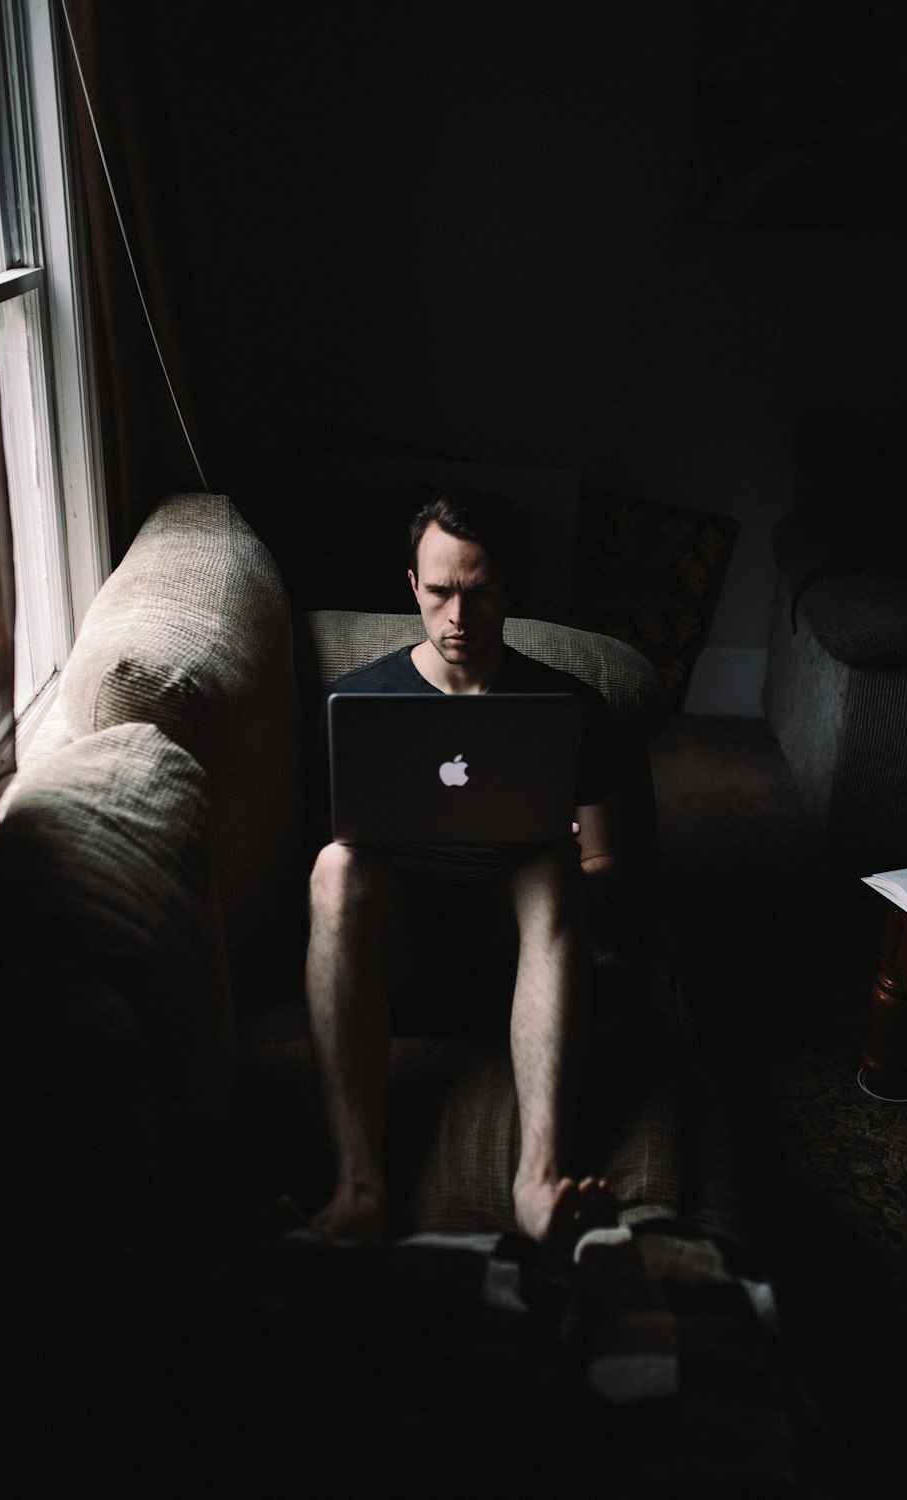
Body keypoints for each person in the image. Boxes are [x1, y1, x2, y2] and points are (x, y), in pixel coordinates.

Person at [304, 488, 620, 1250]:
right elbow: (329, 877)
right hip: (395, 953)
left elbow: (607, 860)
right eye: (440, 591)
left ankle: (538, 1183)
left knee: (550, 867)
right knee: (335, 865)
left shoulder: (568, 706)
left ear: (509, 590)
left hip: (516, 955)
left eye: (478, 594)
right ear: (412, 584)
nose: (457, 617)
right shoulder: (357, 702)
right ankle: (359, 1189)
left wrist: (564, 866)